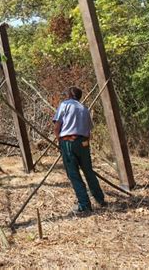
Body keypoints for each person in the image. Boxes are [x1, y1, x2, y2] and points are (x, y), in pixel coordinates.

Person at [53, 86, 107, 216]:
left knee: (74, 174)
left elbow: (57, 125)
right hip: (83, 143)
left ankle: (84, 205)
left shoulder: (64, 105)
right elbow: (89, 131)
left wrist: (59, 139)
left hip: (68, 141)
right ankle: (100, 199)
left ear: (69, 95)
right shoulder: (84, 108)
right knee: (88, 171)